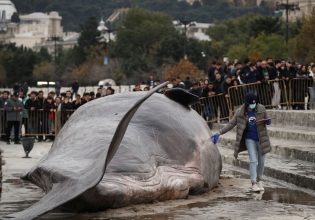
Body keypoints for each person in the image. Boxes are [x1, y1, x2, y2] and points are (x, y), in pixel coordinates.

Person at [211, 93, 272, 192]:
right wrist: (220, 132)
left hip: (261, 138)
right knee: (253, 160)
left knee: (261, 161)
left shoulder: (261, 108)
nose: (253, 105)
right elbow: (231, 124)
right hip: (249, 139)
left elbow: (267, 119)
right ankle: (253, 183)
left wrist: (268, 121)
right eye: (251, 104)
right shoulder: (240, 112)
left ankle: (260, 180)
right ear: (246, 103)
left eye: (255, 103)